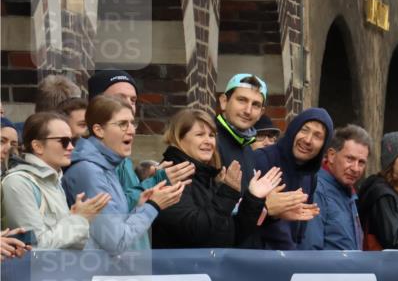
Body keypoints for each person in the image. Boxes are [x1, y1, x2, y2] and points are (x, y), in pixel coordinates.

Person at [63, 95, 183, 253]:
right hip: (93, 274)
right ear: (99, 130)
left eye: (132, 123)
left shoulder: (106, 165)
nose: (132, 131)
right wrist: (153, 206)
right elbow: (115, 242)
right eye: (122, 124)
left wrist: (140, 206)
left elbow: (117, 227)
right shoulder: (88, 171)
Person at [151, 108, 277, 249]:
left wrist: (253, 198)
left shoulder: (207, 176)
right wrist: (228, 193)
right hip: (181, 269)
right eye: (200, 134)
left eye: (211, 135)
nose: (208, 141)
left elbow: (230, 236)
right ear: (178, 138)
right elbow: (195, 232)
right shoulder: (171, 175)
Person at [1, 112, 108, 249]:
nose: (71, 147)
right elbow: (35, 247)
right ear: (38, 146)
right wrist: (79, 219)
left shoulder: (54, 179)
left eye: (71, 141)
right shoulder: (18, 182)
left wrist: (75, 217)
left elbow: (60, 240)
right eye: (63, 141)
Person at [87, 69, 191, 209]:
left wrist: (146, 178)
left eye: (133, 100)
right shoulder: (89, 162)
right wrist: (157, 181)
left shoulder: (121, 157)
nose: (129, 105)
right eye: (119, 98)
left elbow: (129, 198)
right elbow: (115, 214)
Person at [253, 108, 331, 249]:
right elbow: (243, 218)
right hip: (257, 258)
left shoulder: (310, 175)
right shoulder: (262, 159)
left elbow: (299, 232)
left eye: (317, 136)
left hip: (289, 261)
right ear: (293, 130)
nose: (308, 140)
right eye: (304, 130)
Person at [302, 124, 371, 251]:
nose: (356, 168)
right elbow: (310, 252)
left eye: (361, 162)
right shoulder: (316, 189)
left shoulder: (348, 190)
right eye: (350, 159)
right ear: (332, 155)